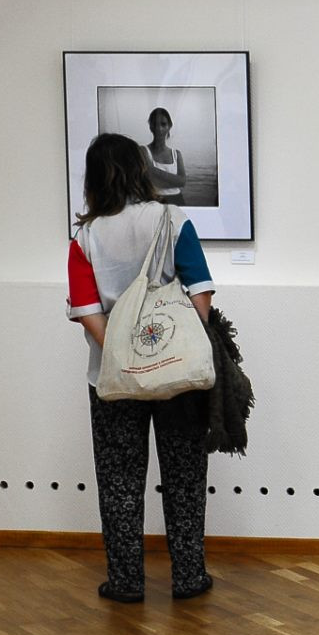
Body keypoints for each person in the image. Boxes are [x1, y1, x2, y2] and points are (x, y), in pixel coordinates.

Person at [65, 132, 217, 603]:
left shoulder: (85, 236)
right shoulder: (172, 220)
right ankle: (189, 575)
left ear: (93, 178)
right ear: (140, 169)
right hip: (178, 375)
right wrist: (163, 348)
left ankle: (127, 580)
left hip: (112, 380)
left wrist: (126, 356)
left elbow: (87, 309)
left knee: (119, 480)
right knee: (185, 477)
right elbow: (201, 294)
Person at [143, 107, 186, 206]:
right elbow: (151, 180)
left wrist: (152, 169)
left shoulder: (176, 154)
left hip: (177, 200)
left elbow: (182, 182)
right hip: (154, 201)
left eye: (163, 124)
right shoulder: (143, 150)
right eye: (155, 124)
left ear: (169, 126)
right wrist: (175, 181)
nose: (159, 128)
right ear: (150, 127)